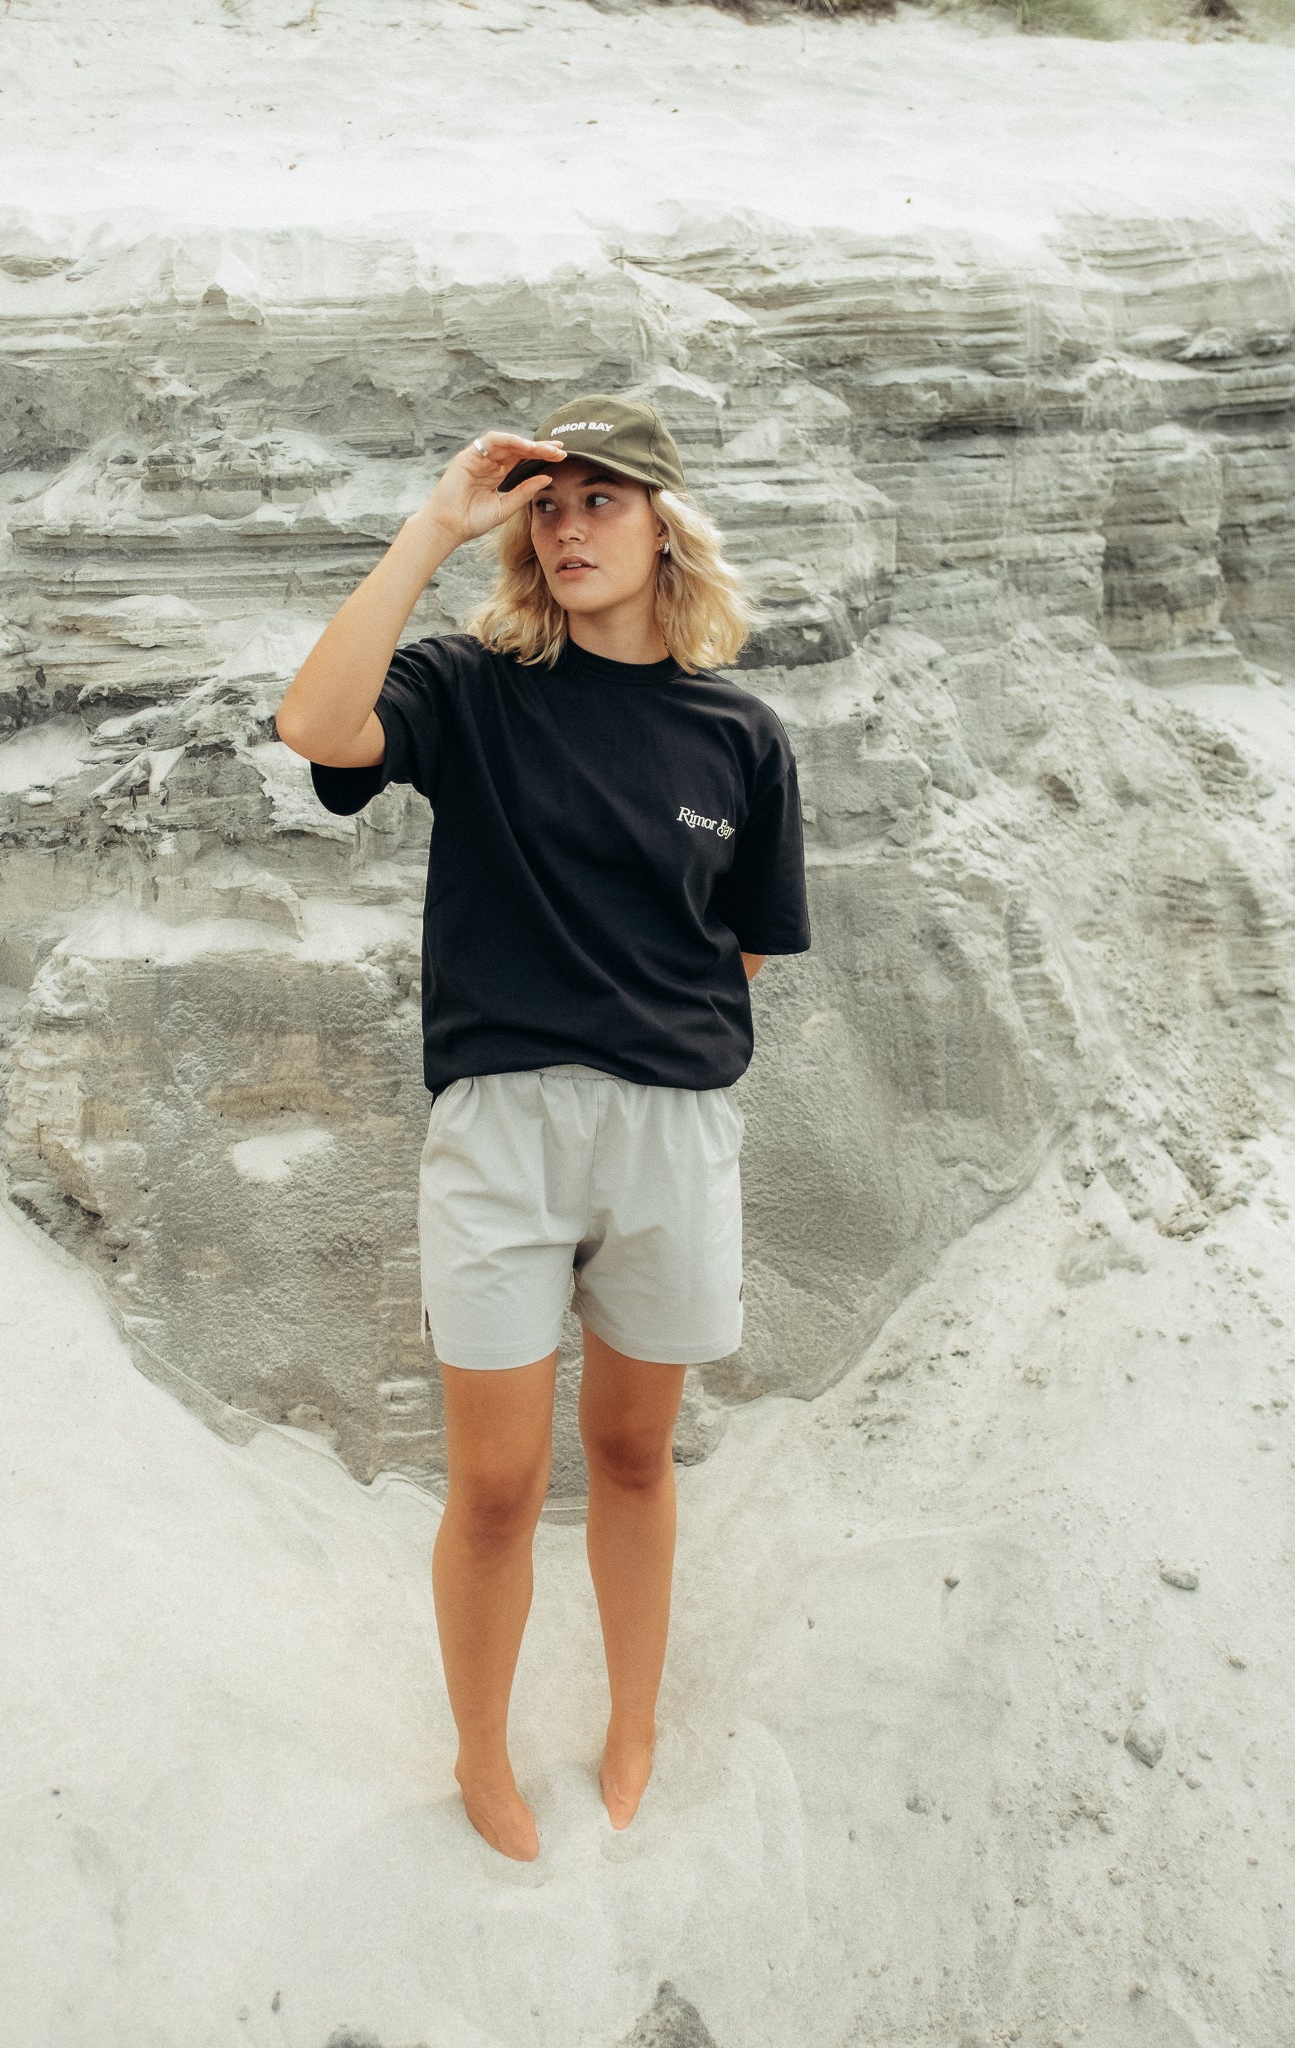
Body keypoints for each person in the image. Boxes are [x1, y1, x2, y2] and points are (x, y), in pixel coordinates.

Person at [275, 392, 811, 1863]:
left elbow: (745, 948)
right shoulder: (472, 689)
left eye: (600, 501)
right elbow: (315, 724)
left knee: (633, 1455)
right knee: (499, 1484)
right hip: (501, 1132)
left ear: (663, 528)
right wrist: (436, 523)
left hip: (670, 1132)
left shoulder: (741, 737)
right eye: (548, 507)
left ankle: (633, 1725)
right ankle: (481, 1753)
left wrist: (644, 1048)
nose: (569, 528)